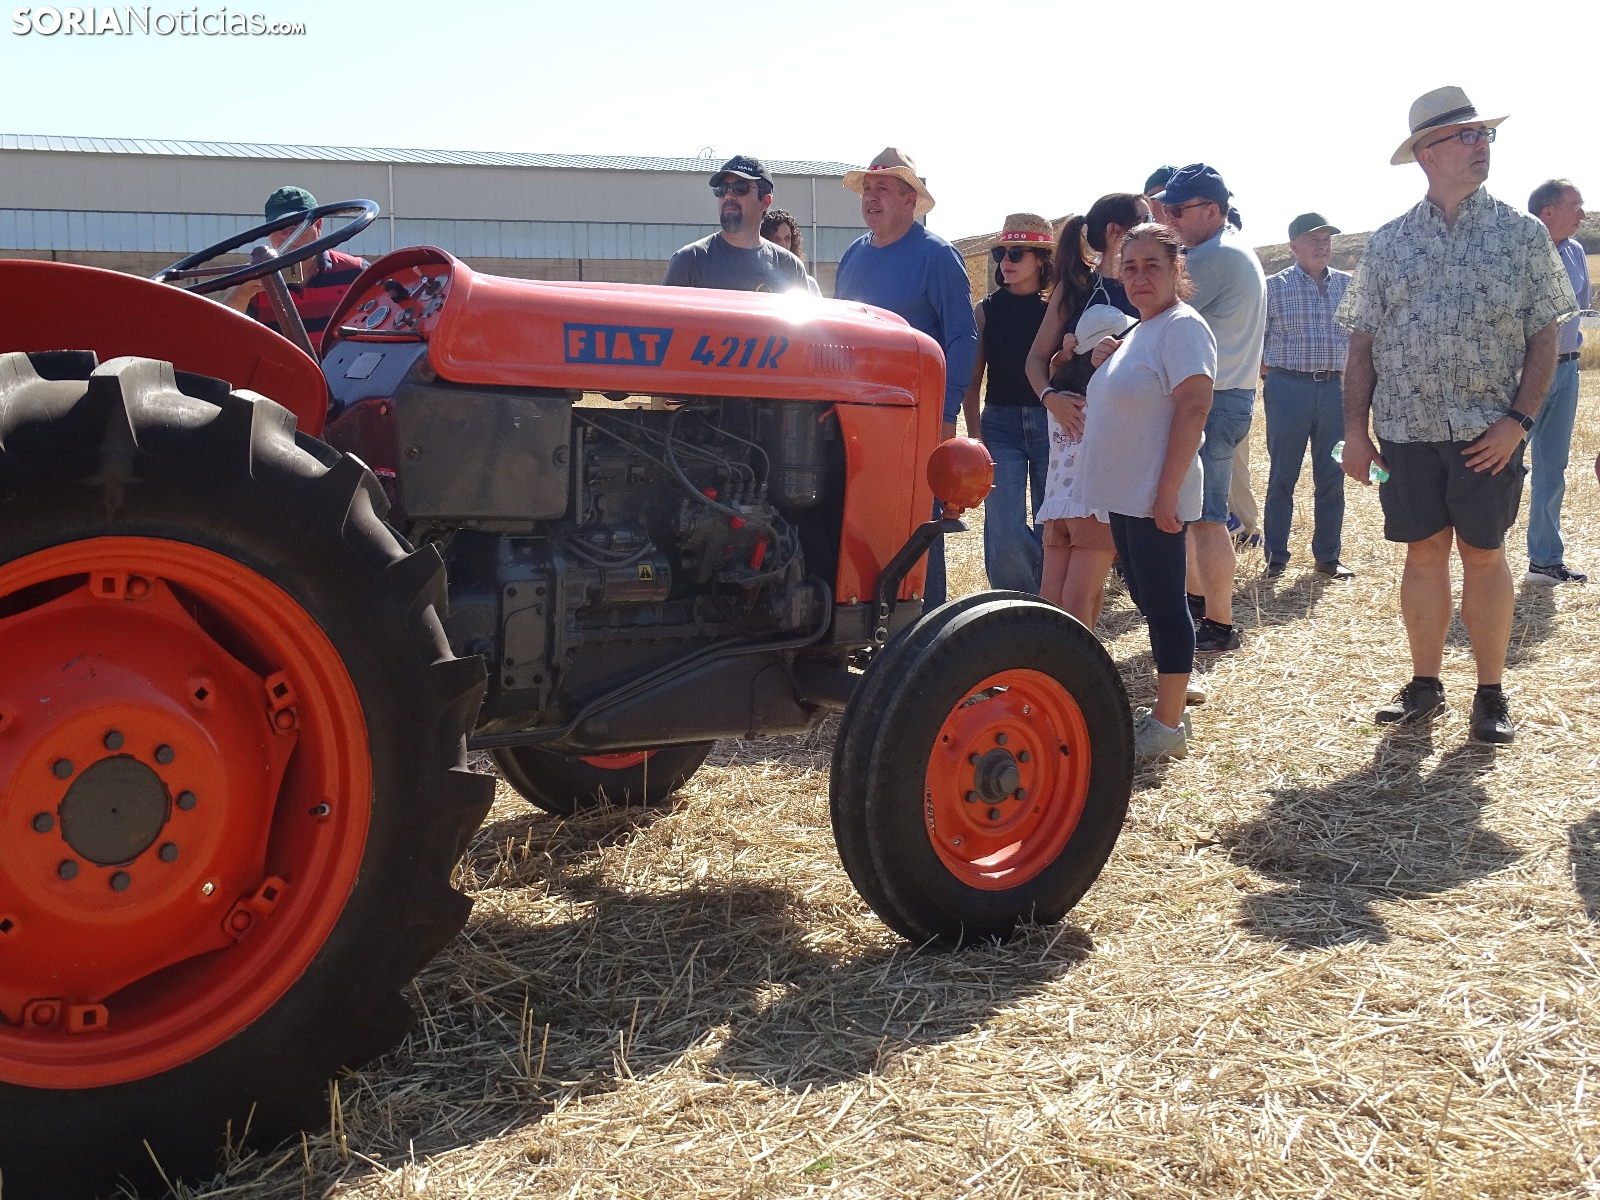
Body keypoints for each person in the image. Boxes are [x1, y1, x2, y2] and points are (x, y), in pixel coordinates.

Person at [1337, 86, 1578, 744]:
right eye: (1466, 135)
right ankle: (1425, 686)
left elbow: (1545, 336)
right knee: (1422, 555)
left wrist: (1518, 422)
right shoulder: (1388, 243)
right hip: (1404, 433)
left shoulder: (1523, 235)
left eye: (1484, 134)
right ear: (1427, 152)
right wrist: (1354, 434)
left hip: (1488, 435)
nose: (1481, 145)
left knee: (1484, 555)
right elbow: (1361, 343)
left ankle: (1490, 694)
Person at [1076, 223, 1214, 761]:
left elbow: (1194, 407)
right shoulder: (1141, 329)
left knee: (1164, 603)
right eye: (1129, 267)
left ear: (1177, 268)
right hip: (1127, 494)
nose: (1138, 277)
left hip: (1153, 494)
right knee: (1150, 598)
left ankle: (1168, 725)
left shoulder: (1182, 327)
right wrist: (1104, 361)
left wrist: (1167, 493)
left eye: (1151, 265)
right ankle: (1175, 695)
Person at [835, 147, 978, 608]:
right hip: (855, 417)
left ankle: (924, 628)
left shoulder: (937, 256)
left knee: (916, 525)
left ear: (910, 200)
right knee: (858, 519)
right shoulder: (852, 257)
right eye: (867, 189)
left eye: (883, 189)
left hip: (916, 419)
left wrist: (946, 412)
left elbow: (962, 338)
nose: (871, 198)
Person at [1154, 164, 1267, 655]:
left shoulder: (1213, 257)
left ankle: (1219, 624)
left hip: (1215, 400)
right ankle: (1202, 609)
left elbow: (1154, 313)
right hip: (1225, 396)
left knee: (1207, 519)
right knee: (1198, 516)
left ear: (1212, 211)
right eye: (1167, 209)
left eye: (1178, 210)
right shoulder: (1229, 249)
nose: (1169, 218)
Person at [1026, 194, 1149, 628]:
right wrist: (1050, 397)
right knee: (1055, 598)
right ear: (1117, 231)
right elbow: (1036, 359)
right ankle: (1065, 668)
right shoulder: (1076, 288)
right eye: (1144, 219)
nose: (1155, 224)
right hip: (1068, 456)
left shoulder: (1146, 290)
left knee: (1077, 595)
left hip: (1109, 453)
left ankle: (1068, 666)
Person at [959, 214, 1055, 592]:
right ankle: (1016, 602)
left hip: (1052, 422)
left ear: (1042, 259)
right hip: (999, 425)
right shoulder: (985, 310)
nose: (1005, 262)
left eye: (1017, 253)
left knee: (1053, 520)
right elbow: (972, 381)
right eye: (1001, 253)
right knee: (1004, 523)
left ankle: (1049, 601)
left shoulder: (1059, 307)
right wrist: (976, 437)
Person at [1261, 212, 1354, 580]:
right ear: (1293, 246)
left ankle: (1328, 556)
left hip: (1335, 391)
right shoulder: (1273, 287)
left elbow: (1361, 339)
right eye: (1314, 239)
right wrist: (1274, 377)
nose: (1322, 245)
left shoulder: (1348, 285)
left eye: (1326, 239)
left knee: (1332, 475)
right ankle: (1275, 557)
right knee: (1282, 475)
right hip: (1288, 390)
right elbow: (1256, 341)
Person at [1524, 178, 1592, 585]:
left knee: (1553, 466)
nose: (1582, 214)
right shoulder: (1518, 251)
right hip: (1525, 372)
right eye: (1575, 206)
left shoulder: (1576, 251)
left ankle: (1545, 561)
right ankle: (1486, 561)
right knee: (1505, 466)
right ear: (1547, 212)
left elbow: (1581, 307)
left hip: (1566, 368)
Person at [225, 186, 367, 354]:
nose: (287, 235)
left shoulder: (355, 272)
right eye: (278, 227)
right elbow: (223, 335)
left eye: (297, 226)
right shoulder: (254, 283)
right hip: (282, 370)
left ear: (318, 226)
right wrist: (241, 294)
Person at [663, 155, 809, 293]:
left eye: (740, 188)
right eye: (722, 189)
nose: (728, 196)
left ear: (765, 202)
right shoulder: (689, 262)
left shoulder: (791, 267)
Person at [760, 208, 824, 296]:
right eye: (776, 238)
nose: (783, 245)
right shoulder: (758, 282)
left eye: (787, 238)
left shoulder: (809, 284)